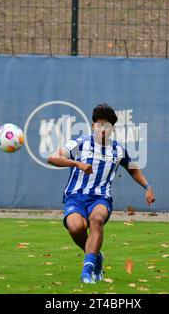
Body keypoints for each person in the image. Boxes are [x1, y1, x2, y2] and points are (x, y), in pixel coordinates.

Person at [48, 103, 155, 283]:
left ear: (112, 128)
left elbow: (133, 169)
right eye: (99, 125)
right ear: (93, 125)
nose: (102, 130)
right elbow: (52, 158)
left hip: (101, 198)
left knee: (96, 220)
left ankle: (87, 271)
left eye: (106, 126)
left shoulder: (118, 150)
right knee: (76, 227)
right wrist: (77, 164)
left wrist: (148, 187)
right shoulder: (79, 144)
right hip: (75, 196)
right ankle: (96, 256)